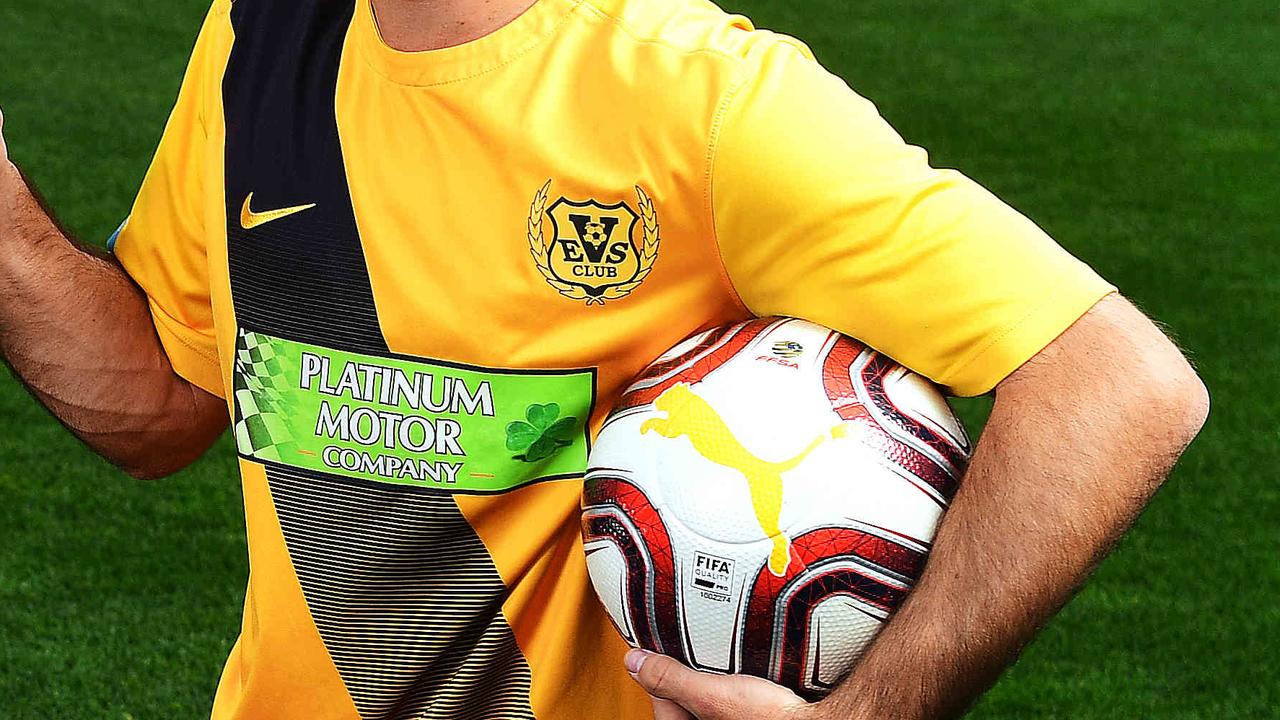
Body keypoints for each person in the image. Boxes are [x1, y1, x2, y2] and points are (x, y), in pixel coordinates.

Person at [0, 0, 1208, 718]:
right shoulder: (261, 35)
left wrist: (880, 711)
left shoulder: (697, 98)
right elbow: (164, 397)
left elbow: (1115, 385)